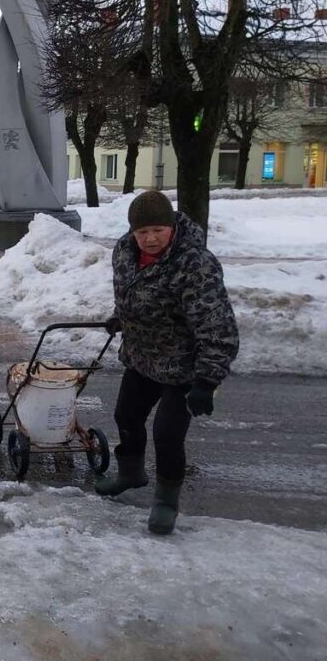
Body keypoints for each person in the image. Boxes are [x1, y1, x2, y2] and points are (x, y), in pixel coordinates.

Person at [98, 190, 238, 535]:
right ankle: (131, 473)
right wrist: (122, 317)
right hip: (144, 357)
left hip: (184, 366)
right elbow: (134, 293)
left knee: (167, 434)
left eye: (158, 229)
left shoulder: (194, 264)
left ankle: (166, 501)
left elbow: (217, 325)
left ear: (172, 225)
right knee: (126, 416)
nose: (150, 238)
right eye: (142, 232)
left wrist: (206, 382)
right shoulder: (124, 252)